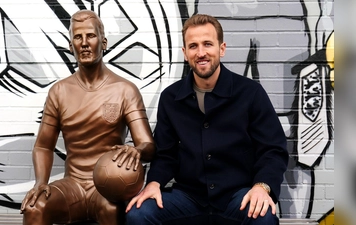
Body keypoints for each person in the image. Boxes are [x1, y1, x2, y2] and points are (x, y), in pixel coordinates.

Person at [125, 14, 288, 225]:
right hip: (188, 198)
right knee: (138, 214)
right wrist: (154, 183)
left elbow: (273, 149)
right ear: (185, 53)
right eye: (193, 46)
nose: (201, 53)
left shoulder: (250, 93)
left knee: (264, 217)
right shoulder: (171, 98)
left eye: (207, 44)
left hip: (237, 197)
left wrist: (262, 187)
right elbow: (166, 154)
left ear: (222, 48)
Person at [19, 10, 155, 225]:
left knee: (110, 208)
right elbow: (43, 146)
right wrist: (40, 183)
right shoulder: (59, 92)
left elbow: (148, 145)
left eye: (90, 36)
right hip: (72, 186)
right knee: (35, 207)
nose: (84, 43)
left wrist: (136, 150)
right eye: (77, 37)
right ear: (70, 46)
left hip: (107, 188)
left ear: (104, 42)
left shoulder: (125, 90)